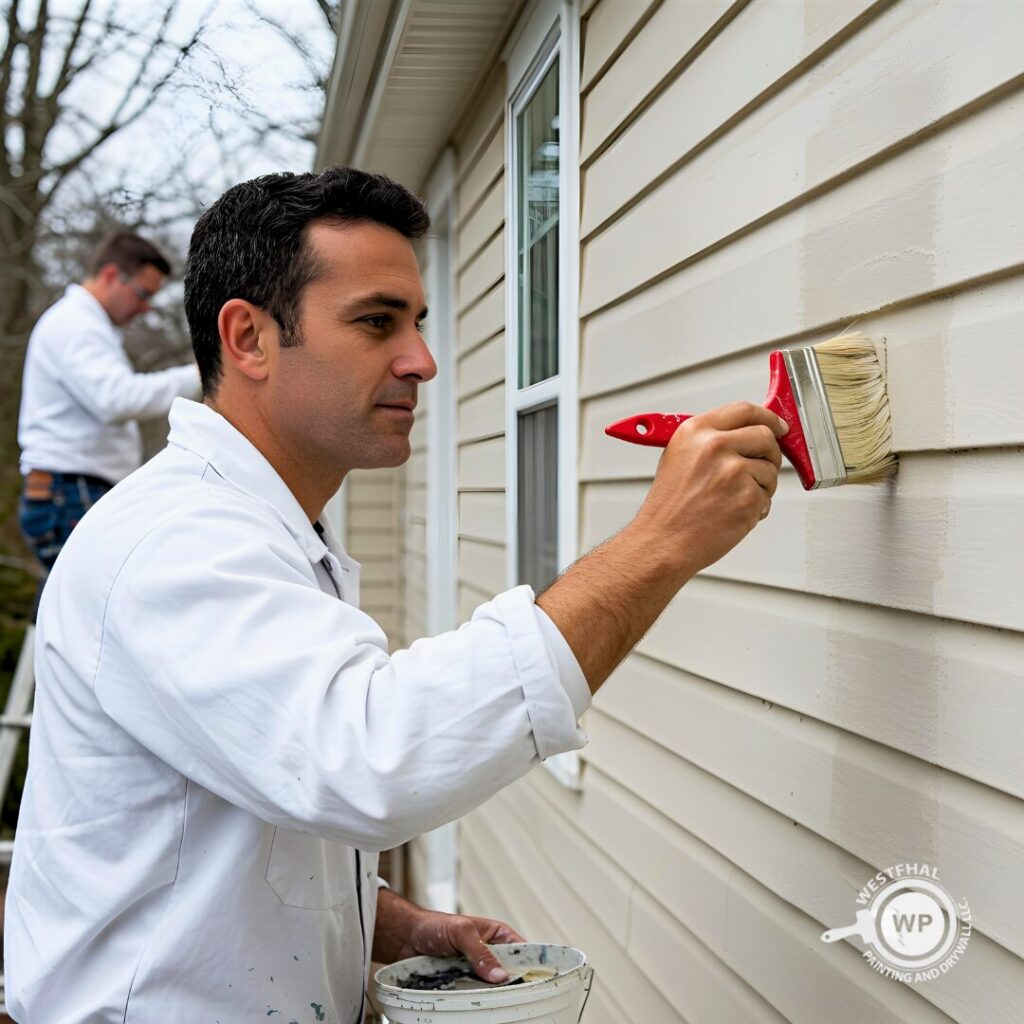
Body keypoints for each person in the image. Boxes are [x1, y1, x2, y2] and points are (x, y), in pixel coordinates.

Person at [4, 168, 786, 1022]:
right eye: (377, 322)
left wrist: (397, 924)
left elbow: (237, 816)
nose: (421, 360)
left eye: (416, 323)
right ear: (249, 338)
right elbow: (369, 757)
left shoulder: (274, 530)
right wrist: (660, 543)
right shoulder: (174, 545)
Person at [16, 231, 200, 611]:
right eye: (143, 294)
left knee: (73, 613)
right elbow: (117, 399)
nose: (146, 308)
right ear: (112, 275)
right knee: (110, 610)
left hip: (68, 492)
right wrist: (201, 374)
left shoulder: (87, 326)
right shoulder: (75, 325)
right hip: (69, 494)